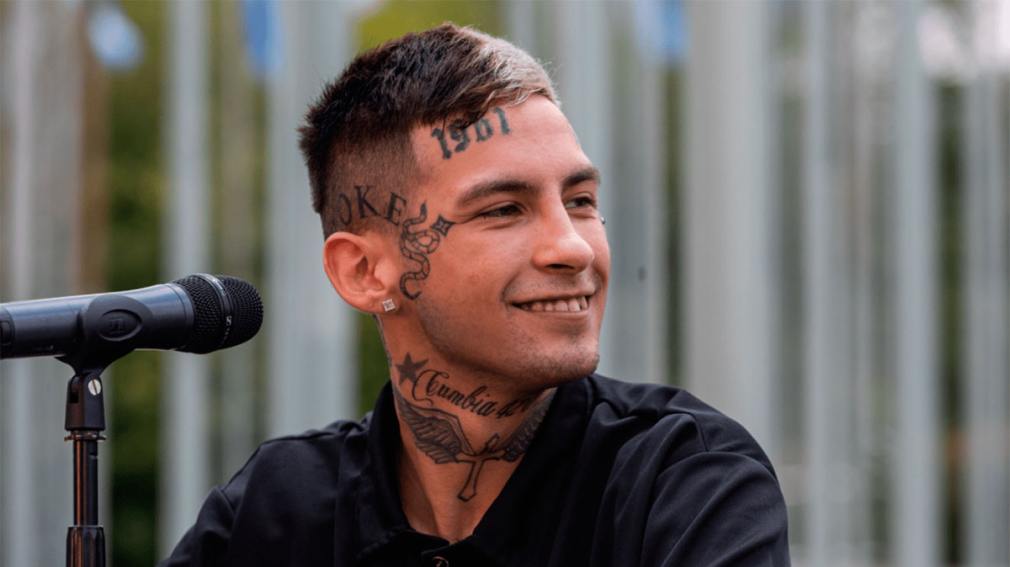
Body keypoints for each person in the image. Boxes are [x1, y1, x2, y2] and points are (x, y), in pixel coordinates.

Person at [161, 23, 790, 566]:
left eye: (580, 201)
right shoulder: (275, 511)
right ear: (365, 272)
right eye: (503, 209)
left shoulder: (684, 481)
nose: (572, 247)